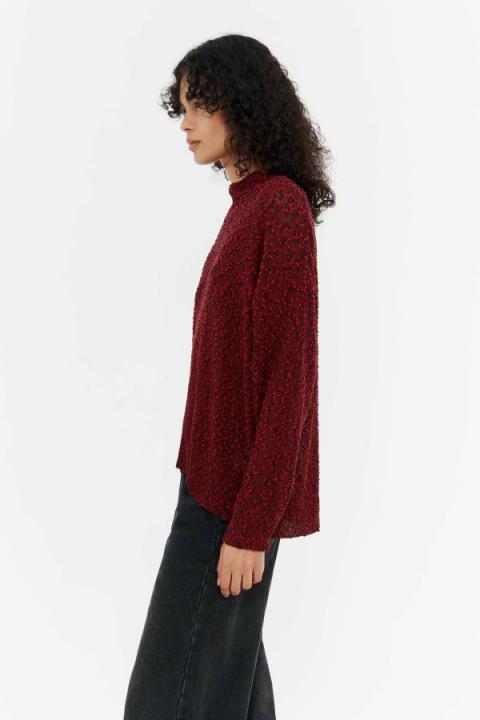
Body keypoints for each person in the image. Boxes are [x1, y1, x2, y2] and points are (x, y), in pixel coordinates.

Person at [123, 33, 335, 720]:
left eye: (200, 105)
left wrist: (250, 528)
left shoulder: (280, 210)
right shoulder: (247, 208)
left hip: (230, 505)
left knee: (167, 700)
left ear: (241, 106)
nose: (185, 123)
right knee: (227, 690)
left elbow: (288, 383)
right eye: (182, 106)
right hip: (213, 487)